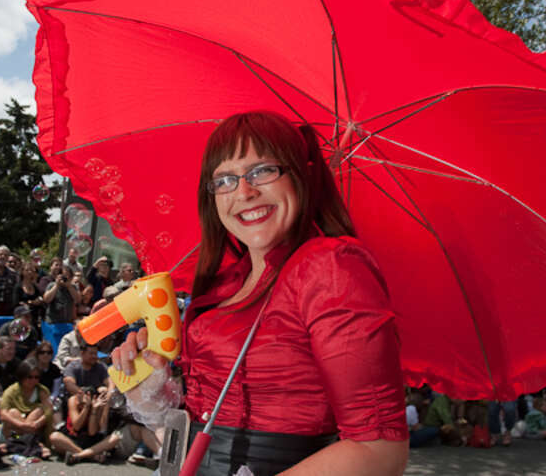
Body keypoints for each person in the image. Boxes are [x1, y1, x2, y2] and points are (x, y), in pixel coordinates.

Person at [111, 111, 408, 475]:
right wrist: (152, 387)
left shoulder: (330, 266)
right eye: (225, 180)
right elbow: (203, 419)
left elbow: (378, 449)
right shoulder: (226, 282)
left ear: (300, 175)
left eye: (263, 170)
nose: (244, 192)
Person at [0, 360, 53, 455]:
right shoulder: (11, 391)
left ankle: (17, 445)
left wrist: (37, 423)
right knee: (13, 412)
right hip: (15, 431)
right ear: (22, 377)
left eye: (36, 377)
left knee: (38, 411)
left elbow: (49, 410)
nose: (33, 380)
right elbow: (3, 413)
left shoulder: (42, 390)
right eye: (30, 377)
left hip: (35, 428)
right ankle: (34, 446)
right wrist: (22, 425)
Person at [12, 261, 44, 327]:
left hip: (34, 319)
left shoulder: (35, 287)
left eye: (32, 270)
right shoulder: (18, 287)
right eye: (27, 270)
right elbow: (16, 303)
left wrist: (39, 301)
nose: (30, 272)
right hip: (21, 319)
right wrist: (31, 302)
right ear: (22, 272)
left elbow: (40, 298)